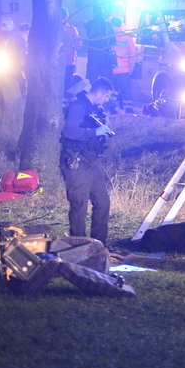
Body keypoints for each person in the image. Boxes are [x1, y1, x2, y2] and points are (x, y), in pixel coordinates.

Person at [60, 78, 115, 245]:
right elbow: (69, 131)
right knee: (79, 205)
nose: (106, 100)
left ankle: (99, 244)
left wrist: (103, 128)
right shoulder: (78, 107)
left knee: (103, 201)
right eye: (106, 96)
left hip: (92, 162)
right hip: (76, 161)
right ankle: (79, 245)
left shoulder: (95, 109)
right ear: (98, 92)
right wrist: (94, 132)